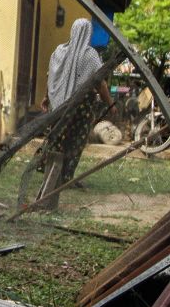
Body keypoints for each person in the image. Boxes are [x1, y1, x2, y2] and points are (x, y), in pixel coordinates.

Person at [32, 17, 114, 209]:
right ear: (88, 34)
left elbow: (50, 77)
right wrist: (110, 103)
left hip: (58, 105)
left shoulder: (59, 52)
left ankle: (50, 170)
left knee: (57, 136)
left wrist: (46, 97)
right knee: (76, 140)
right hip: (81, 106)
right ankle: (66, 175)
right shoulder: (90, 55)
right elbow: (100, 81)